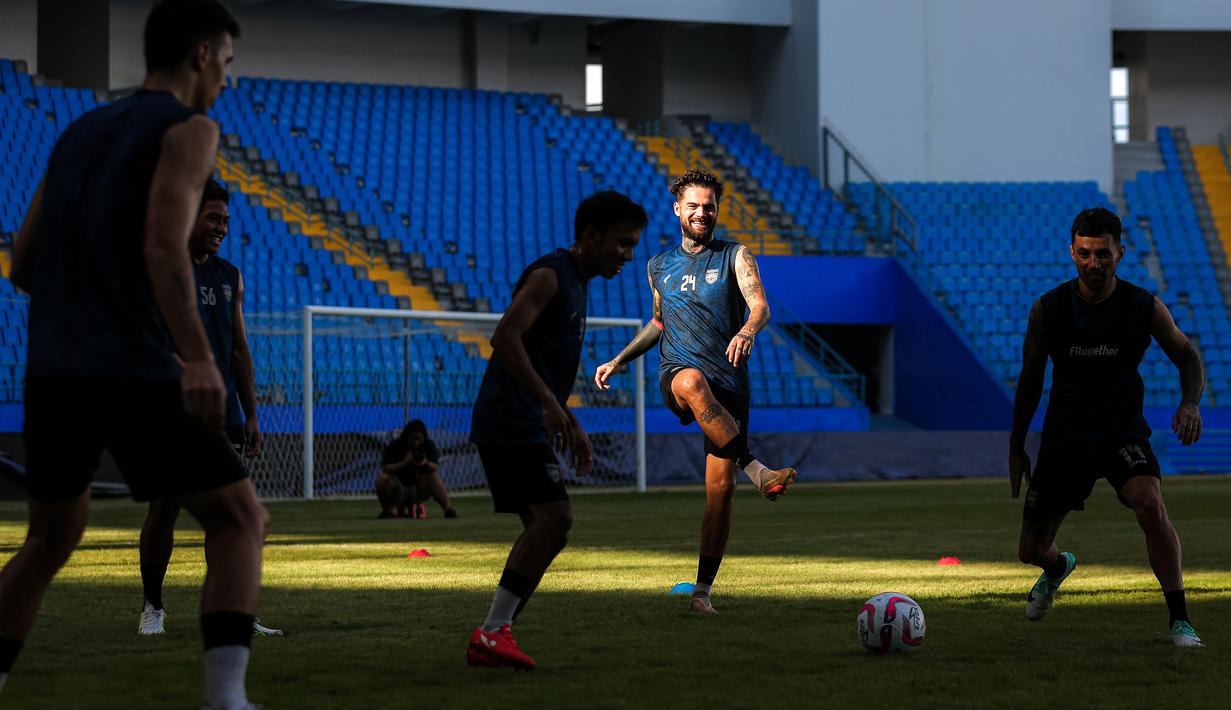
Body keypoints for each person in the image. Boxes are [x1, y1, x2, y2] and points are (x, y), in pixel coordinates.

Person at [0, 2, 269, 708]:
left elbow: (23, 265)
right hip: (135, 366)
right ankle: (226, 699)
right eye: (228, 65)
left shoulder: (78, 133)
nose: (227, 82)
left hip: (54, 369)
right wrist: (198, 357)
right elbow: (161, 246)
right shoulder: (190, 128)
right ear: (203, 56)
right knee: (240, 520)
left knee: (49, 540)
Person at [594, 169, 797, 616]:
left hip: (729, 383)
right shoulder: (658, 266)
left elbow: (760, 305)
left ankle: (702, 592)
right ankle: (757, 468)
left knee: (719, 494)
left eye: (709, 206)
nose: (702, 212)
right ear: (677, 210)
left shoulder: (736, 255)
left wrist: (747, 329)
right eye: (694, 206)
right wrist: (620, 359)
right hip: (680, 377)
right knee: (689, 381)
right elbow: (659, 324)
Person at [1009, 207, 1205, 648]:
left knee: (1151, 503)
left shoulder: (1143, 306)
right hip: (1065, 438)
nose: (1093, 264)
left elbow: (1188, 357)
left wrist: (1190, 403)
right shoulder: (1049, 309)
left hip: (1121, 433)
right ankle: (1058, 568)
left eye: (1102, 254)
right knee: (1030, 551)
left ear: (1120, 251)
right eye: (1084, 254)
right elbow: (1030, 381)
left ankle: (1180, 620)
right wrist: (1017, 445)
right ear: (1072, 252)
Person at [466, 191, 646, 670]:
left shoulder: (578, 283)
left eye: (633, 246)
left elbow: (543, 361)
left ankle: (496, 633)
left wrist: (568, 418)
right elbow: (504, 336)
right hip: (509, 417)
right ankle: (491, 632)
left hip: (526, 416)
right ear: (590, 236)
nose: (628, 255)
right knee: (554, 518)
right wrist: (548, 404)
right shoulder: (550, 274)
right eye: (623, 244)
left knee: (549, 528)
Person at [138, 179, 280, 638]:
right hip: (172, 409)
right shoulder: (163, 268)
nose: (221, 227)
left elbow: (239, 348)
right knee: (166, 509)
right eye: (213, 218)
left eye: (225, 220)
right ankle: (152, 607)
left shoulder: (230, 274)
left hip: (226, 413)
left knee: (231, 517)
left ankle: (235, 612)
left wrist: (252, 412)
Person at [377, 419, 456, 519]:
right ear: (406, 437)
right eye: (413, 440)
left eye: (419, 440)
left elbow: (434, 466)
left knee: (432, 477)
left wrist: (425, 463)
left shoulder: (428, 445)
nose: (416, 443)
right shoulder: (395, 445)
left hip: (420, 488)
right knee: (383, 479)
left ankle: (448, 510)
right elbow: (386, 468)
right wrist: (404, 463)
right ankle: (388, 512)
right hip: (398, 488)